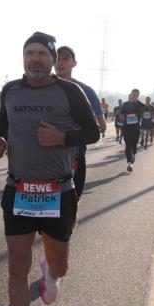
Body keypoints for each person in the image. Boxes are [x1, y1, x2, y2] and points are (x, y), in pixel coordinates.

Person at [0, 32, 99, 306]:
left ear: (52, 59)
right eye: (29, 52)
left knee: (61, 266)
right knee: (16, 264)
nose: (34, 58)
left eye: (41, 53)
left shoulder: (70, 92)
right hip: (19, 189)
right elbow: (2, 128)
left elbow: (95, 131)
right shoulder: (10, 90)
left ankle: (51, 276)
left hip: (58, 191)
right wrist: (0, 144)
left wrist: (63, 138)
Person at [54, 45, 105, 199]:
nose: (60, 63)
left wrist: (71, 134)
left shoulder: (85, 91)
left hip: (74, 158)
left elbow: (101, 126)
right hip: (45, 158)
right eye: (57, 59)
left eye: (65, 59)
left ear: (74, 63)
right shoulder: (40, 88)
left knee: (71, 204)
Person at [119, 89, 144, 172]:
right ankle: (129, 163)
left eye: (136, 95)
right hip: (126, 128)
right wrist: (122, 116)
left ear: (138, 96)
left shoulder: (140, 105)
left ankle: (133, 155)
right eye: (133, 95)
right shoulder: (125, 104)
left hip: (136, 128)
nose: (134, 97)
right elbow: (121, 114)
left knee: (134, 146)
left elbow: (145, 112)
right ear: (131, 95)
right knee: (128, 145)